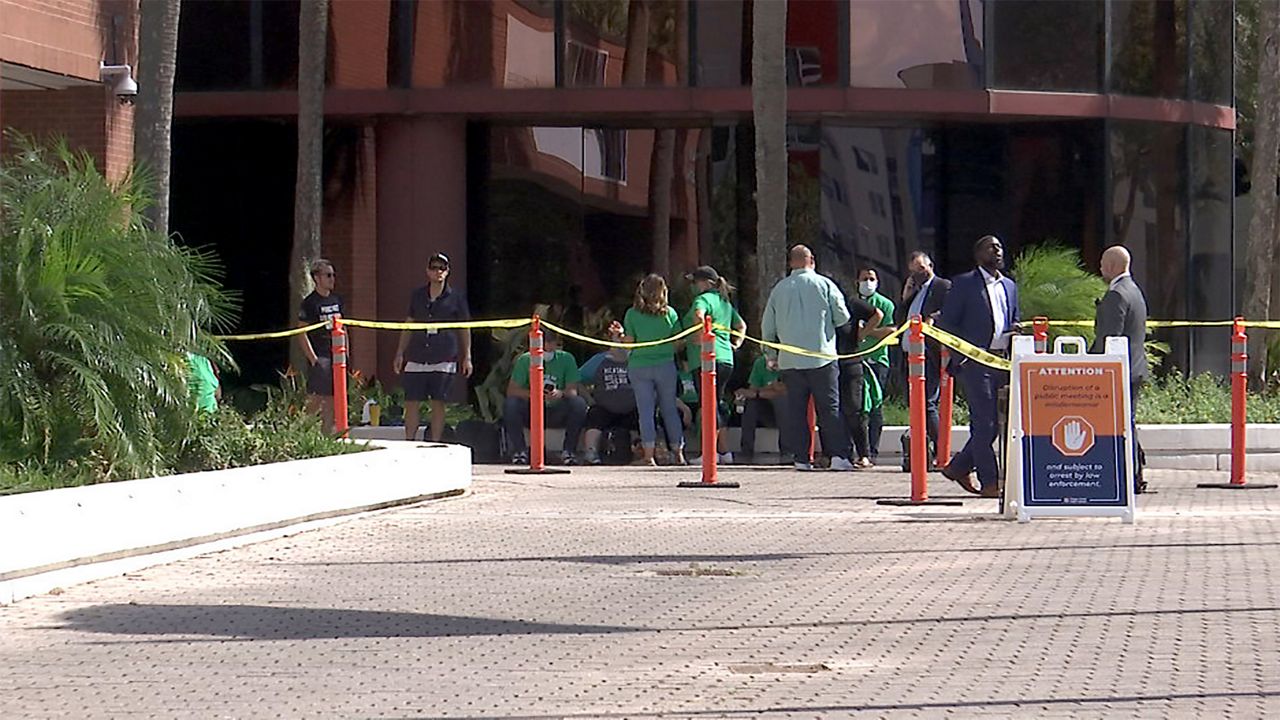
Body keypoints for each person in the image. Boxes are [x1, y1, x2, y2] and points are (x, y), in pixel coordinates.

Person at [760, 245, 857, 471]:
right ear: (811, 260)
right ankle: (838, 457)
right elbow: (843, 318)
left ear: (790, 262)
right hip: (822, 358)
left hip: (790, 361)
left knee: (797, 411)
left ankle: (801, 458)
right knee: (829, 409)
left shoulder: (779, 289)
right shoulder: (825, 284)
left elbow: (767, 328)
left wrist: (771, 356)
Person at [938, 235, 1019, 498]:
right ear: (978, 255)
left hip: (1003, 361)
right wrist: (961, 356)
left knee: (996, 426)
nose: (997, 250)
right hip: (975, 363)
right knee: (984, 424)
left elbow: (1013, 318)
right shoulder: (963, 284)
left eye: (999, 247)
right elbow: (946, 324)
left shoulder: (1009, 286)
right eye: (990, 247)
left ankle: (958, 467)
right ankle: (990, 483)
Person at [393, 253, 472, 442]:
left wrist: (467, 355)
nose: (438, 272)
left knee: (438, 402)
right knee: (412, 401)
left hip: (444, 355)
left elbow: (465, 327)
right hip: (417, 354)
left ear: (447, 272)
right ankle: (409, 442)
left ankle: (435, 442)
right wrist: (399, 353)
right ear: (427, 271)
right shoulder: (417, 295)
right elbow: (408, 324)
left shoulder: (457, 297)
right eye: (435, 268)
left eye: (442, 268)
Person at [1092, 245, 1149, 494]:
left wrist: (1087, 363)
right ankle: (1135, 472)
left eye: (1103, 263)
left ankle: (1132, 473)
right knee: (1129, 419)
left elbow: (1109, 338)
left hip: (1121, 371)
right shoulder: (1134, 290)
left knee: (1123, 422)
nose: (1100, 267)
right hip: (1135, 367)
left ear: (1113, 266)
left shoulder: (1117, 294)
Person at [683, 266, 747, 463]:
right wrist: (735, 344)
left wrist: (698, 337)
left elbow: (698, 316)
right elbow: (741, 326)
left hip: (706, 360)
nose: (692, 286)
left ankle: (708, 454)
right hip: (726, 358)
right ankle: (724, 452)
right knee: (716, 404)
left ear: (705, 283)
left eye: (695, 282)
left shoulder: (702, 299)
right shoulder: (725, 303)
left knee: (706, 407)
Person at [623, 274, 687, 466]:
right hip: (665, 366)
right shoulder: (671, 314)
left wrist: (618, 336)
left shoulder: (632, 314)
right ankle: (678, 453)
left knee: (646, 412)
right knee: (669, 409)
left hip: (639, 366)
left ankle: (649, 455)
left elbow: (629, 343)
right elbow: (678, 342)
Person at [897, 251, 952, 464]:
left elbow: (950, 311)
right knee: (915, 403)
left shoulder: (942, 286)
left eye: (921, 268)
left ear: (930, 265)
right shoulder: (915, 292)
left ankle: (941, 451)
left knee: (927, 402)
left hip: (929, 353)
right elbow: (899, 320)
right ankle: (925, 450)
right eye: (913, 271)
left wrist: (932, 319)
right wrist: (905, 297)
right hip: (909, 354)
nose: (918, 274)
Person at [503, 328, 588, 465]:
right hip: (532, 409)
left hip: (556, 409)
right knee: (511, 404)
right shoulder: (525, 359)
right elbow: (512, 391)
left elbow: (572, 391)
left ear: (555, 344)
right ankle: (520, 451)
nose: (546, 352)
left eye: (550, 347)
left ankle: (569, 451)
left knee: (578, 403)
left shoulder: (566, 359)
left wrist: (559, 393)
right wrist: (534, 395)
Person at [849, 267, 896, 467]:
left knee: (875, 406)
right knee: (857, 407)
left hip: (877, 361)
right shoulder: (851, 304)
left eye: (871, 278)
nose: (868, 282)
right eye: (864, 278)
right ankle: (858, 451)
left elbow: (892, 330)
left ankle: (873, 451)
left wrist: (866, 332)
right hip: (855, 359)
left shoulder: (885, 304)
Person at [296, 259, 345, 432]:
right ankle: (302, 432)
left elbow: (342, 326)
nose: (332, 279)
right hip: (320, 355)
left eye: (333, 275)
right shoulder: (309, 303)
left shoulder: (337, 299)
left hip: (337, 354)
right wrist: (313, 358)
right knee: (315, 398)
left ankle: (327, 436)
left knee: (332, 398)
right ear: (317, 278)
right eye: (328, 275)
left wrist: (346, 351)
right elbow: (301, 332)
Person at [578, 324, 638, 465]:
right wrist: (589, 400)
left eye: (621, 337)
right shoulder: (599, 360)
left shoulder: (637, 360)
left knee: (645, 417)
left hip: (632, 408)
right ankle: (591, 453)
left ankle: (642, 454)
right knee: (594, 416)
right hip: (605, 408)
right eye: (615, 338)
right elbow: (576, 380)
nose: (619, 343)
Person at [735, 351, 789, 463]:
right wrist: (770, 389)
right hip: (767, 411)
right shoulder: (760, 363)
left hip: (788, 413)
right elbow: (752, 391)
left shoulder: (791, 364)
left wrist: (761, 392)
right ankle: (746, 452)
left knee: (781, 400)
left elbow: (785, 391)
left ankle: (787, 452)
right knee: (751, 403)